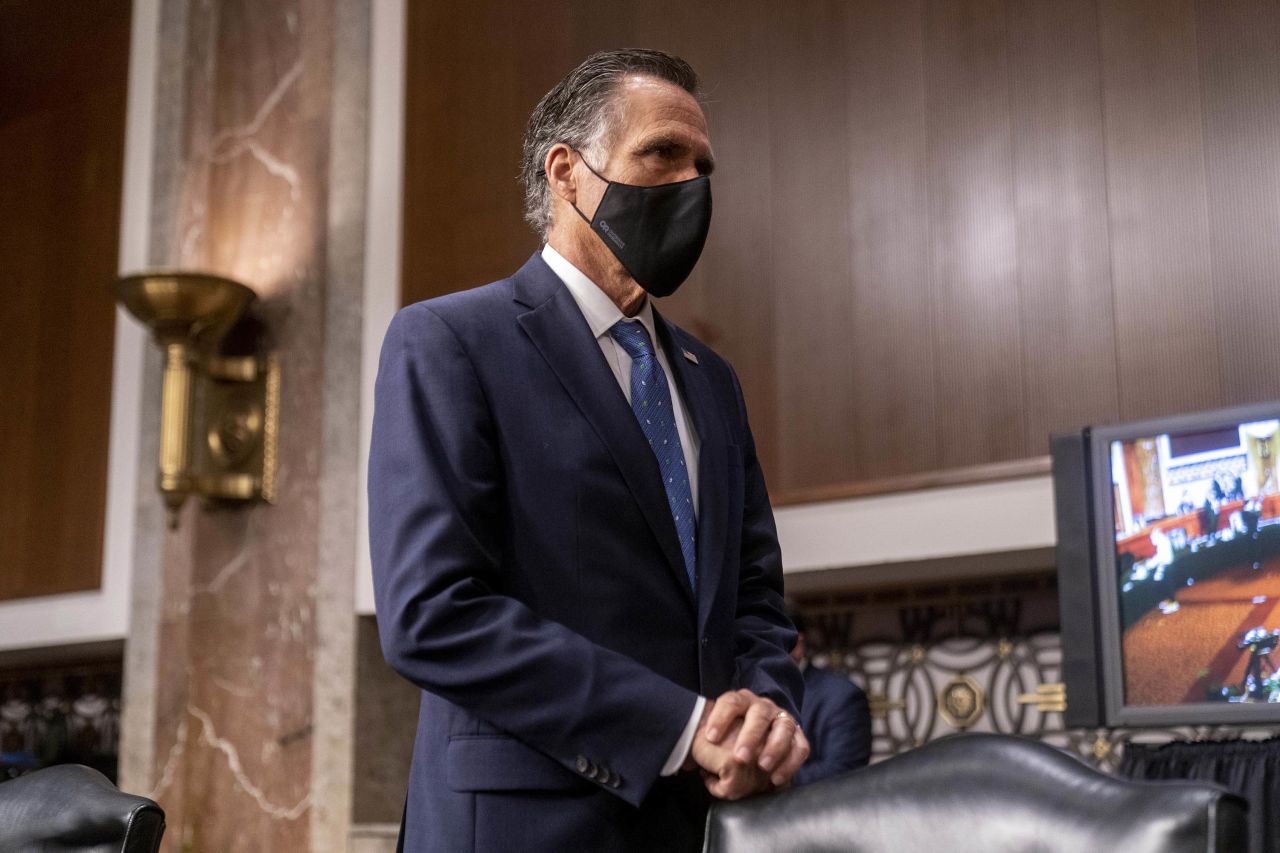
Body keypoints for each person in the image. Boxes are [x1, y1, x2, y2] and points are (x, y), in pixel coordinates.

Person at [368, 49, 807, 853]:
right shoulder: (452, 341)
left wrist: (763, 716)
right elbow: (433, 613)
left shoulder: (714, 382)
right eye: (662, 154)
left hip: (704, 826)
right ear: (567, 172)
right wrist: (679, 726)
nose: (691, 184)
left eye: (703, 164)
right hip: (521, 823)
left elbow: (755, 602)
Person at [785, 605, 872, 785]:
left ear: (797, 645)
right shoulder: (737, 690)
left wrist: (763, 782)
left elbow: (842, 771)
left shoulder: (842, 696)